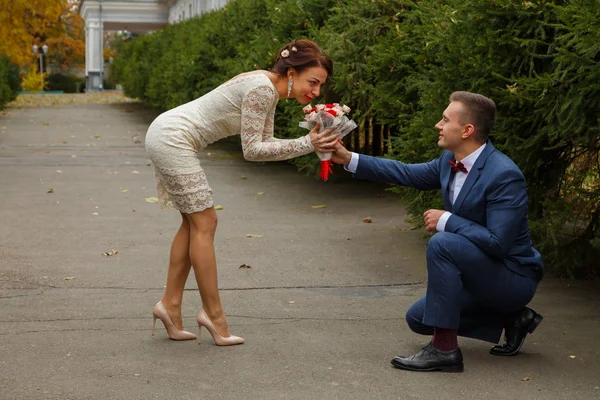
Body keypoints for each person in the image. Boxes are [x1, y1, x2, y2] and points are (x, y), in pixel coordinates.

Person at [330, 91, 544, 372]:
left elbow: (498, 243)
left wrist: (448, 220)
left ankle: (444, 350)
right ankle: (514, 319)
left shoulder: (504, 174)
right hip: (478, 272)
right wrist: (347, 158)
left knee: (442, 243)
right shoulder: (449, 160)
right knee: (419, 319)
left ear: (467, 130)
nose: (437, 125)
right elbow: (405, 172)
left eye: (445, 119)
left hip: (511, 276)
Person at [146, 40, 338, 346]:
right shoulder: (263, 90)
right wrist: (307, 144)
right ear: (291, 72)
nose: (316, 92)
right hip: (172, 138)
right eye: (312, 82)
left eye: (320, 86)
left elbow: (265, 142)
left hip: (166, 133)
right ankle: (214, 316)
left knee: (193, 224)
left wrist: (308, 142)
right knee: (206, 223)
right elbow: (253, 151)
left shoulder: (268, 88)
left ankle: (169, 306)